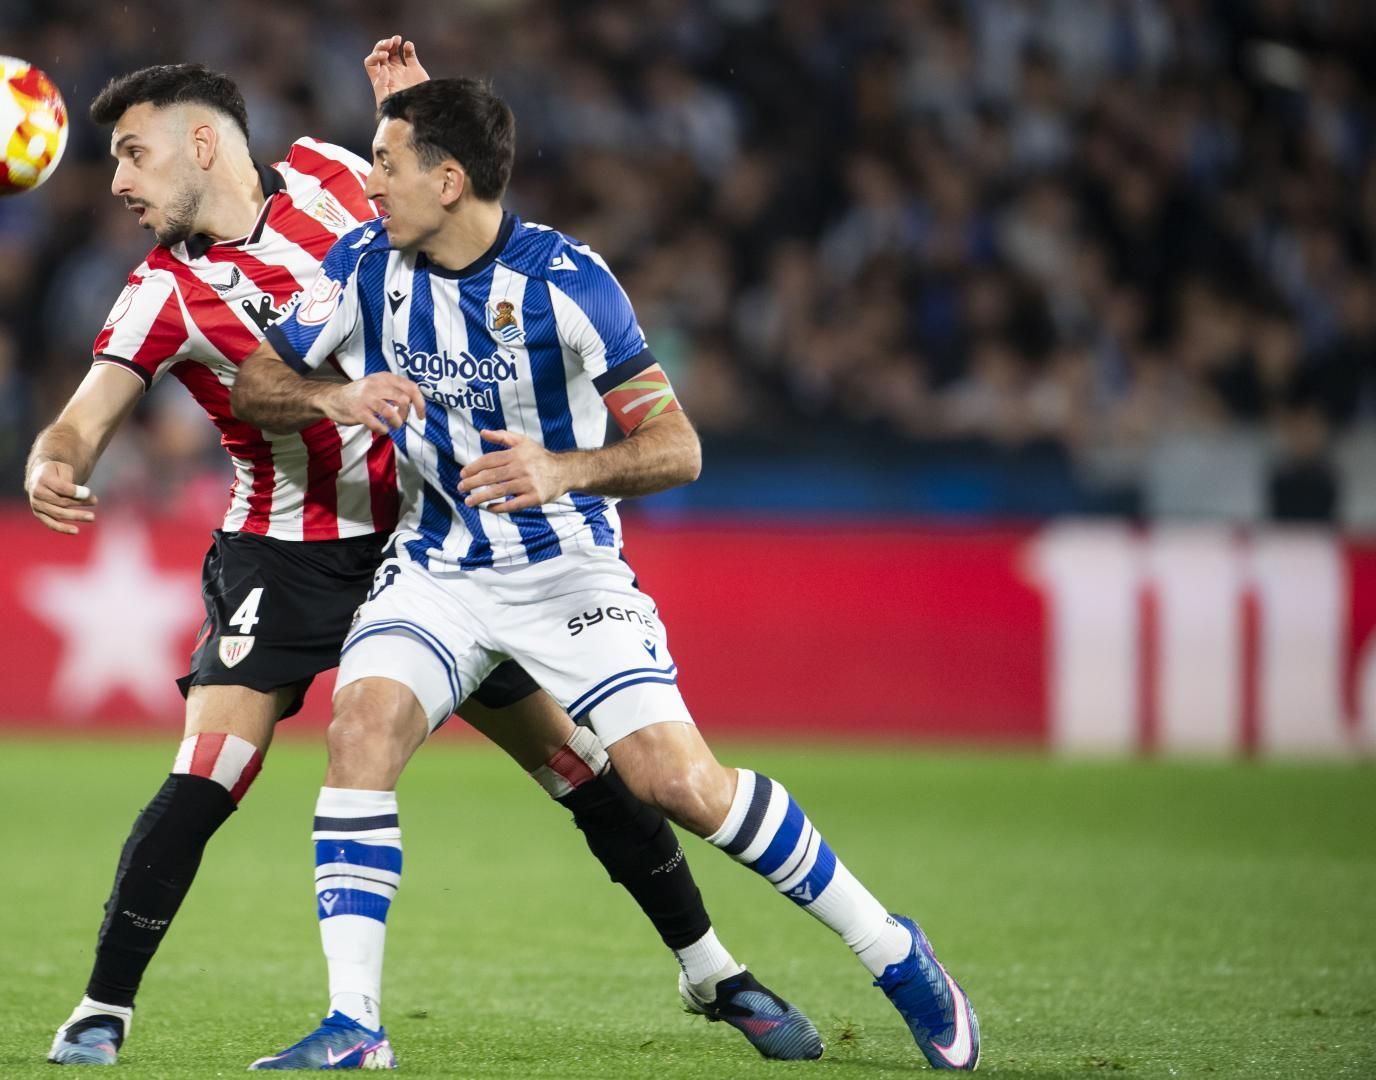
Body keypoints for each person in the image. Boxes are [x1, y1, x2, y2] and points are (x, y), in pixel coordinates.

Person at [28, 48, 812, 1068]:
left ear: (204, 144)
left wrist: (410, 108)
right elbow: (81, 420)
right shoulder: (160, 293)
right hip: (283, 552)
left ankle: (713, 971)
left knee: (578, 764)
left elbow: (442, 204)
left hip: (431, 542)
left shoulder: (321, 171)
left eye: (133, 155)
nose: (120, 183)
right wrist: (53, 462)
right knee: (212, 768)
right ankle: (102, 1010)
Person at [232, 77, 981, 1071]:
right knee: (360, 729)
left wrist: (562, 469)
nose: (368, 181)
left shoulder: (567, 282)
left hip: (567, 576)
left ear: (448, 181)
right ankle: (356, 1024)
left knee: (678, 784)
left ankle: (893, 951)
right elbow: (255, 382)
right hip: (439, 568)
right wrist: (336, 394)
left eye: (386, 161)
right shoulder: (364, 263)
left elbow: (679, 448)